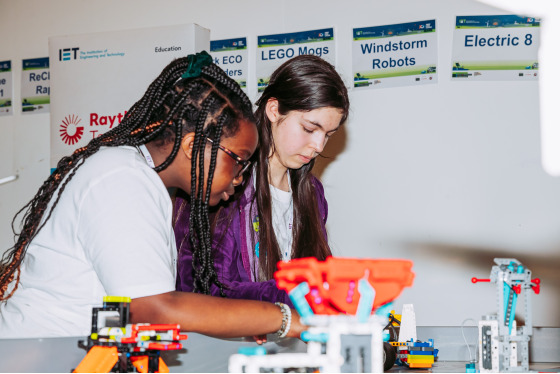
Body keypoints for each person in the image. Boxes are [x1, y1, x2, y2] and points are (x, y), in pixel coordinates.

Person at [0, 51, 303, 339]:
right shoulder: (122, 178)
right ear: (191, 146)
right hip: (35, 356)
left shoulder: (141, 180)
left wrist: (239, 320)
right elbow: (153, 310)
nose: (240, 177)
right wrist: (280, 318)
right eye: (238, 159)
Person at [174, 55, 349, 304]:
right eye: (310, 129)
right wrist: (294, 294)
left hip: (295, 341)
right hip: (227, 342)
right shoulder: (224, 185)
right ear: (274, 110)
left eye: (328, 135)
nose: (318, 146)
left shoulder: (312, 192)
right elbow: (208, 290)